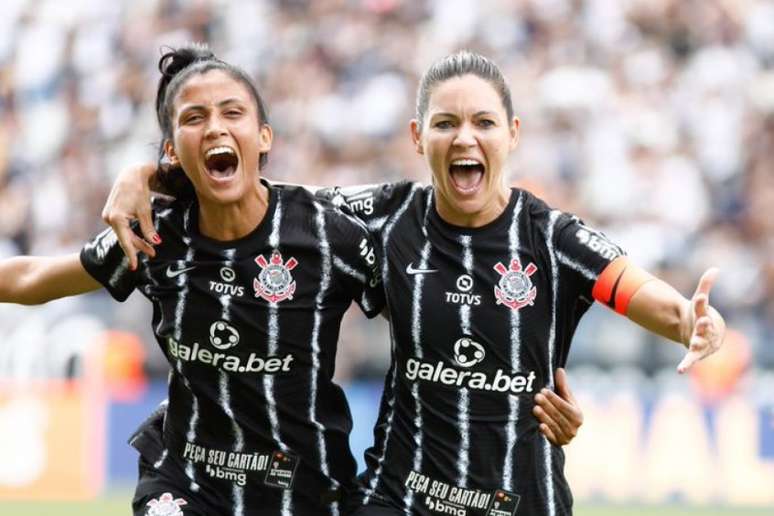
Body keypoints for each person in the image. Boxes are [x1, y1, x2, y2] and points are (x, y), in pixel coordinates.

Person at [103, 51, 725, 515]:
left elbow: (646, 295)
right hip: (399, 496)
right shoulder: (380, 216)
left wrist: (693, 321)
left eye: (483, 122)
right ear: (417, 137)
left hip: (520, 498)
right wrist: (147, 175)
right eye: (446, 123)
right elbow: (252, 197)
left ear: (512, 134)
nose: (465, 137)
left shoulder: (554, 239)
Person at [0, 44, 391, 515]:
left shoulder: (327, 235)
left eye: (232, 112)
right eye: (194, 118)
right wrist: (139, 177)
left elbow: (418, 318)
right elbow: (33, 278)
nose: (215, 127)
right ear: (170, 151)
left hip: (306, 490)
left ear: (264, 136)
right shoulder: (153, 234)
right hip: (187, 483)